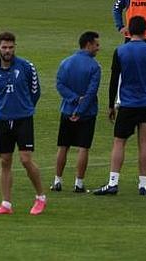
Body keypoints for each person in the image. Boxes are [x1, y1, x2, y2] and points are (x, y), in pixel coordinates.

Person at [93, 16, 146, 196]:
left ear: (129, 31)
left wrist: (110, 105)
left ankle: (113, 182)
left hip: (128, 103)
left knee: (119, 142)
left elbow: (114, 79)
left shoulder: (121, 51)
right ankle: (143, 184)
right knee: (145, 143)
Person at [0, 32, 46, 215]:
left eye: (11, 47)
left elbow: (35, 91)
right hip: (3, 119)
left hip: (23, 119)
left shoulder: (27, 67)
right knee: (5, 161)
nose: (8, 51)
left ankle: (41, 197)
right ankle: (6, 204)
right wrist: (5, 108)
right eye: (4, 47)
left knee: (26, 159)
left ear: (15, 47)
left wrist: (24, 107)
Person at [51, 31, 101, 193]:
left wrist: (73, 99)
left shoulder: (66, 62)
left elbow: (60, 84)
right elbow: (91, 92)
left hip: (67, 110)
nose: (98, 48)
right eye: (96, 45)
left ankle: (57, 181)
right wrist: (80, 110)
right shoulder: (95, 66)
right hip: (87, 113)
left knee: (63, 146)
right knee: (83, 148)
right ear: (88, 45)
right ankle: (78, 183)